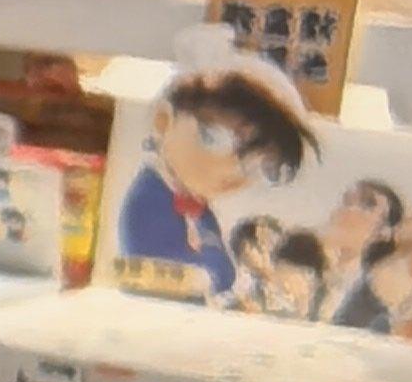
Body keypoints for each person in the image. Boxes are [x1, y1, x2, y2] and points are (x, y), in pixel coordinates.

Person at [114, 64, 312, 299]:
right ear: (163, 121)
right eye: (215, 139)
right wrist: (211, 264)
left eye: (257, 166)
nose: (234, 170)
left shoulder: (200, 209)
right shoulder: (149, 199)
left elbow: (225, 274)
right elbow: (199, 274)